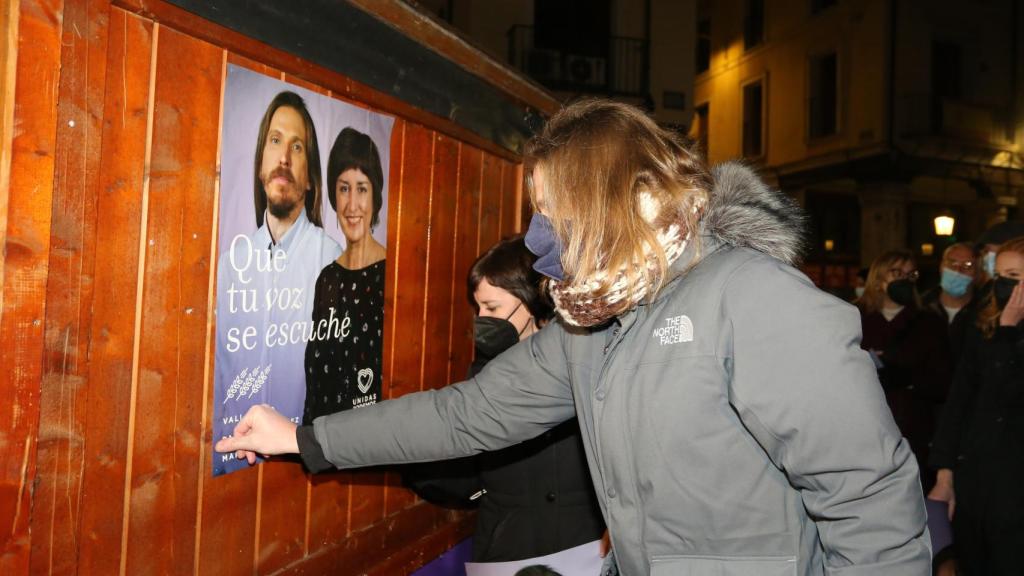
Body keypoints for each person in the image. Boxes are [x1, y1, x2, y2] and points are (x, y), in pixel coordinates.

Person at [217, 99, 930, 575]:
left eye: (552, 212)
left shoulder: (753, 298)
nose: (537, 238)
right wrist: (306, 438)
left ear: (608, 203)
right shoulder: (589, 327)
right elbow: (465, 415)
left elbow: (871, 501)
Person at [403, 236, 606, 563]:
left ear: (528, 303)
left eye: (492, 308)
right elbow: (466, 464)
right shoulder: (484, 372)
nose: (481, 318)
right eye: (478, 307)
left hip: (584, 549)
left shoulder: (583, 359)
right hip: (508, 552)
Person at [213, 91, 341, 475]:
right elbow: (219, 381)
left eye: (297, 146)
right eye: (275, 141)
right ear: (260, 164)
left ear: (310, 177)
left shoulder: (334, 262)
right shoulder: (229, 266)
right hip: (233, 470)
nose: (284, 157)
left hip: (304, 473)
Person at [928, 235, 1024, 576]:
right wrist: (944, 473)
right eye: (999, 275)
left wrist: (1010, 332)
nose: (1002, 285)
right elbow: (961, 400)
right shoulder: (982, 323)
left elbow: (1008, 393)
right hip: (975, 478)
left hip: (1014, 487)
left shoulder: (1007, 331)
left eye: (1013, 277)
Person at [303, 127, 386, 422]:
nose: (352, 205)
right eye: (343, 188)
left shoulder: (393, 275)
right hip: (326, 448)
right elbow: (315, 386)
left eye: (362, 188)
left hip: (373, 449)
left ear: (376, 195)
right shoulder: (327, 279)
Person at [856, 250, 951, 483]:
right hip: (862, 429)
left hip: (911, 431)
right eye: (897, 272)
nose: (905, 280)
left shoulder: (929, 323)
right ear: (878, 278)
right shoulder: (852, 317)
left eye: (911, 275)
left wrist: (908, 378)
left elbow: (944, 382)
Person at [921, 242, 979, 365]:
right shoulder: (920, 307)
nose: (958, 270)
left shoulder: (985, 312)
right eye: (952, 263)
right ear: (941, 267)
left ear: (977, 273)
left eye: (968, 265)